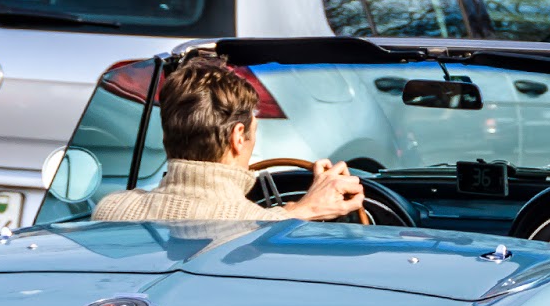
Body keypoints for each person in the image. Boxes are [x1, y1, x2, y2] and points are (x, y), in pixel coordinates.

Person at [93, 56, 364, 224]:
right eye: (254, 132)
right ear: (237, 137)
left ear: (166, 135)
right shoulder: (256, 228)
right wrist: (305, 209)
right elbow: (240, 223)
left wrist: (294, 211)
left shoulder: (112, 210)